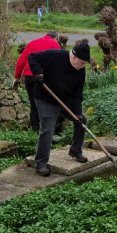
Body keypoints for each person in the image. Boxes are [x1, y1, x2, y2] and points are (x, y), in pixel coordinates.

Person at [27, 42, 90, 177]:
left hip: (65, 100)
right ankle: (41, 163)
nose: (83, 66)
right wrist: (37, 72)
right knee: (48, 130)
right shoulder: (55, 55)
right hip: (46, 99)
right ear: (73, 57)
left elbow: (77, 93)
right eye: (82, 62)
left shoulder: (80, 71)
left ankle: (75, 150)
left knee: (82, 120)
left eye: (85, 63)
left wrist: (77, 113)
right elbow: (32, 57)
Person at [13, 31, 60, 131]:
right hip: (44, 78)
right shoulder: (55, 44)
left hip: (29, 77)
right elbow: (58, 64)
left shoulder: (32, 43)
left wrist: (17, 77)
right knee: (46, 104)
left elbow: (21, 61)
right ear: (56, 38)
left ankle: (34, 129)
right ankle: (46, 131)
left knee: (33, 103)